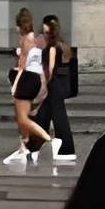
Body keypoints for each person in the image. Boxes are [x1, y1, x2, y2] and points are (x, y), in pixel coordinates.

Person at [7, 6, 53, 169]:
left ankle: (50, 140)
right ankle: (23, 148)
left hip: (27, 78)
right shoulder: (38, 38)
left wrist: (15, 86)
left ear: (19, 25)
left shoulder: (25, 39)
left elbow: (22, 66)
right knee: (27, 116)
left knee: (22, 118)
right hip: (38, 78)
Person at [39, 14, 80, 166]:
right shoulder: (61, 45)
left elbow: (52, 69)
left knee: (57, 116)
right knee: (46, 115)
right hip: (56, 84)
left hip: (52, 83)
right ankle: (39, 146)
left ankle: (65, 149)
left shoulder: (54, 46)